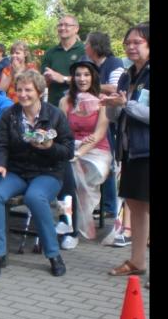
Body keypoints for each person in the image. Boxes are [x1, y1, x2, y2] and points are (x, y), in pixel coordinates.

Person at [0, 70, 74, 278]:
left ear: (39, 91)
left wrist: (49, 147)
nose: (23, 94)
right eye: (19, 90)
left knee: (35, 197)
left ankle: (53, 254)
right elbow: (1, 145)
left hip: (48, 172)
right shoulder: (9, 114)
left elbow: (68, 151)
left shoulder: (55, 115)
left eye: (28, 90)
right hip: (17, 171)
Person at [102, 23, 150, 283]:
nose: (131, 47)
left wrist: (126, 104)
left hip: (147, 149)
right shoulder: (126, 75)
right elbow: (115, 116)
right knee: (135, 204)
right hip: (130, 151)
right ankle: (137, 261)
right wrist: (111, 106)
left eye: (137, 42)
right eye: (127, 43)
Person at [59, 60, 111, 242]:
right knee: (66, 175)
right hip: (72, 148)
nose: (82, 79)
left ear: (93, 77)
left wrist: (79, 153)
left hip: (96, 151)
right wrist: (72, 150)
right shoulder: (65, 101)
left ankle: (72, 223)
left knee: (73, 173)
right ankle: (68, 225)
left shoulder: (103, 101)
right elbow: (62, 132)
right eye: (78, 75)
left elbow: (99, 134)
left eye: (86, 75)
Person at [83, 31, 127, 222]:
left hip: (109, 119)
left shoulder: (114, 63)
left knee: (107, 161)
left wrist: (90, 85)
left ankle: (109, 206)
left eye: (87, 43)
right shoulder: (91, 64)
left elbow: (116, 88)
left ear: (95, 46)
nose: (85, 47)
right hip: (91, 115)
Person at [41, 15, 86, 107]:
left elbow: (90, 81)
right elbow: (42, 80)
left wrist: (63, 78)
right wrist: (45, 79)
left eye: (66, 25)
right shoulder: (50, 52)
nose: (62, 28)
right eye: (60, 25)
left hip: (79, 105)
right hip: (54, 105)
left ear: (76, 29)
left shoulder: (85, 50)